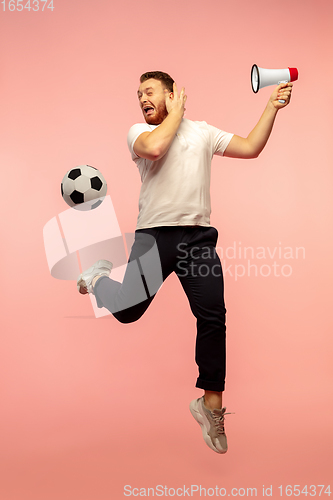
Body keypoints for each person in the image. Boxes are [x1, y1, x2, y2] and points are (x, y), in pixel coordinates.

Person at [77, 71, 293, 454]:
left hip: (197, 239)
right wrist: (175, 113)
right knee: (128, 313)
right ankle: (97, 280)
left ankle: (210, 406)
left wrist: (270, 107)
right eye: (139, 94)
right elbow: (157, 148)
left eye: (149, 92)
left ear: (172, 93)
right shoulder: (136, 132)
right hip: (154, 237)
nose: (142, 99)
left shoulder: (204, 132)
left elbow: (250, 147)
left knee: (213, 316)